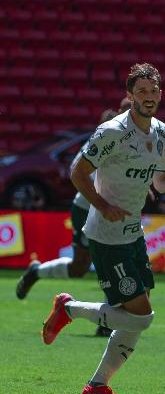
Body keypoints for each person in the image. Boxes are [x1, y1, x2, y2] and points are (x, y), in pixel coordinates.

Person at [40, 63, 165, 394]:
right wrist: (101, 204)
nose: (149, 98)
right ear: (130, 95)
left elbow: (160, 182)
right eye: (142, 92)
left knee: (139, 312)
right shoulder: (112, 132)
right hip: (107, 235)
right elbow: (77, 172)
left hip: (133, 232)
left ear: (160, 94)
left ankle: (97, 385)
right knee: (143, 317)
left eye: (153, 92)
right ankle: (70, 309)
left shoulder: (161, 132)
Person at [18, 98, 132, 339]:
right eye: (127, 111)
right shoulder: (105, 135)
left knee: (99, 261)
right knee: (89, 263)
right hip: (88, 206)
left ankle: (106, 320)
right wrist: (102, 196)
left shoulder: (141, 139)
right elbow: (77, 168)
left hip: (115, 209)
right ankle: (38, 273)